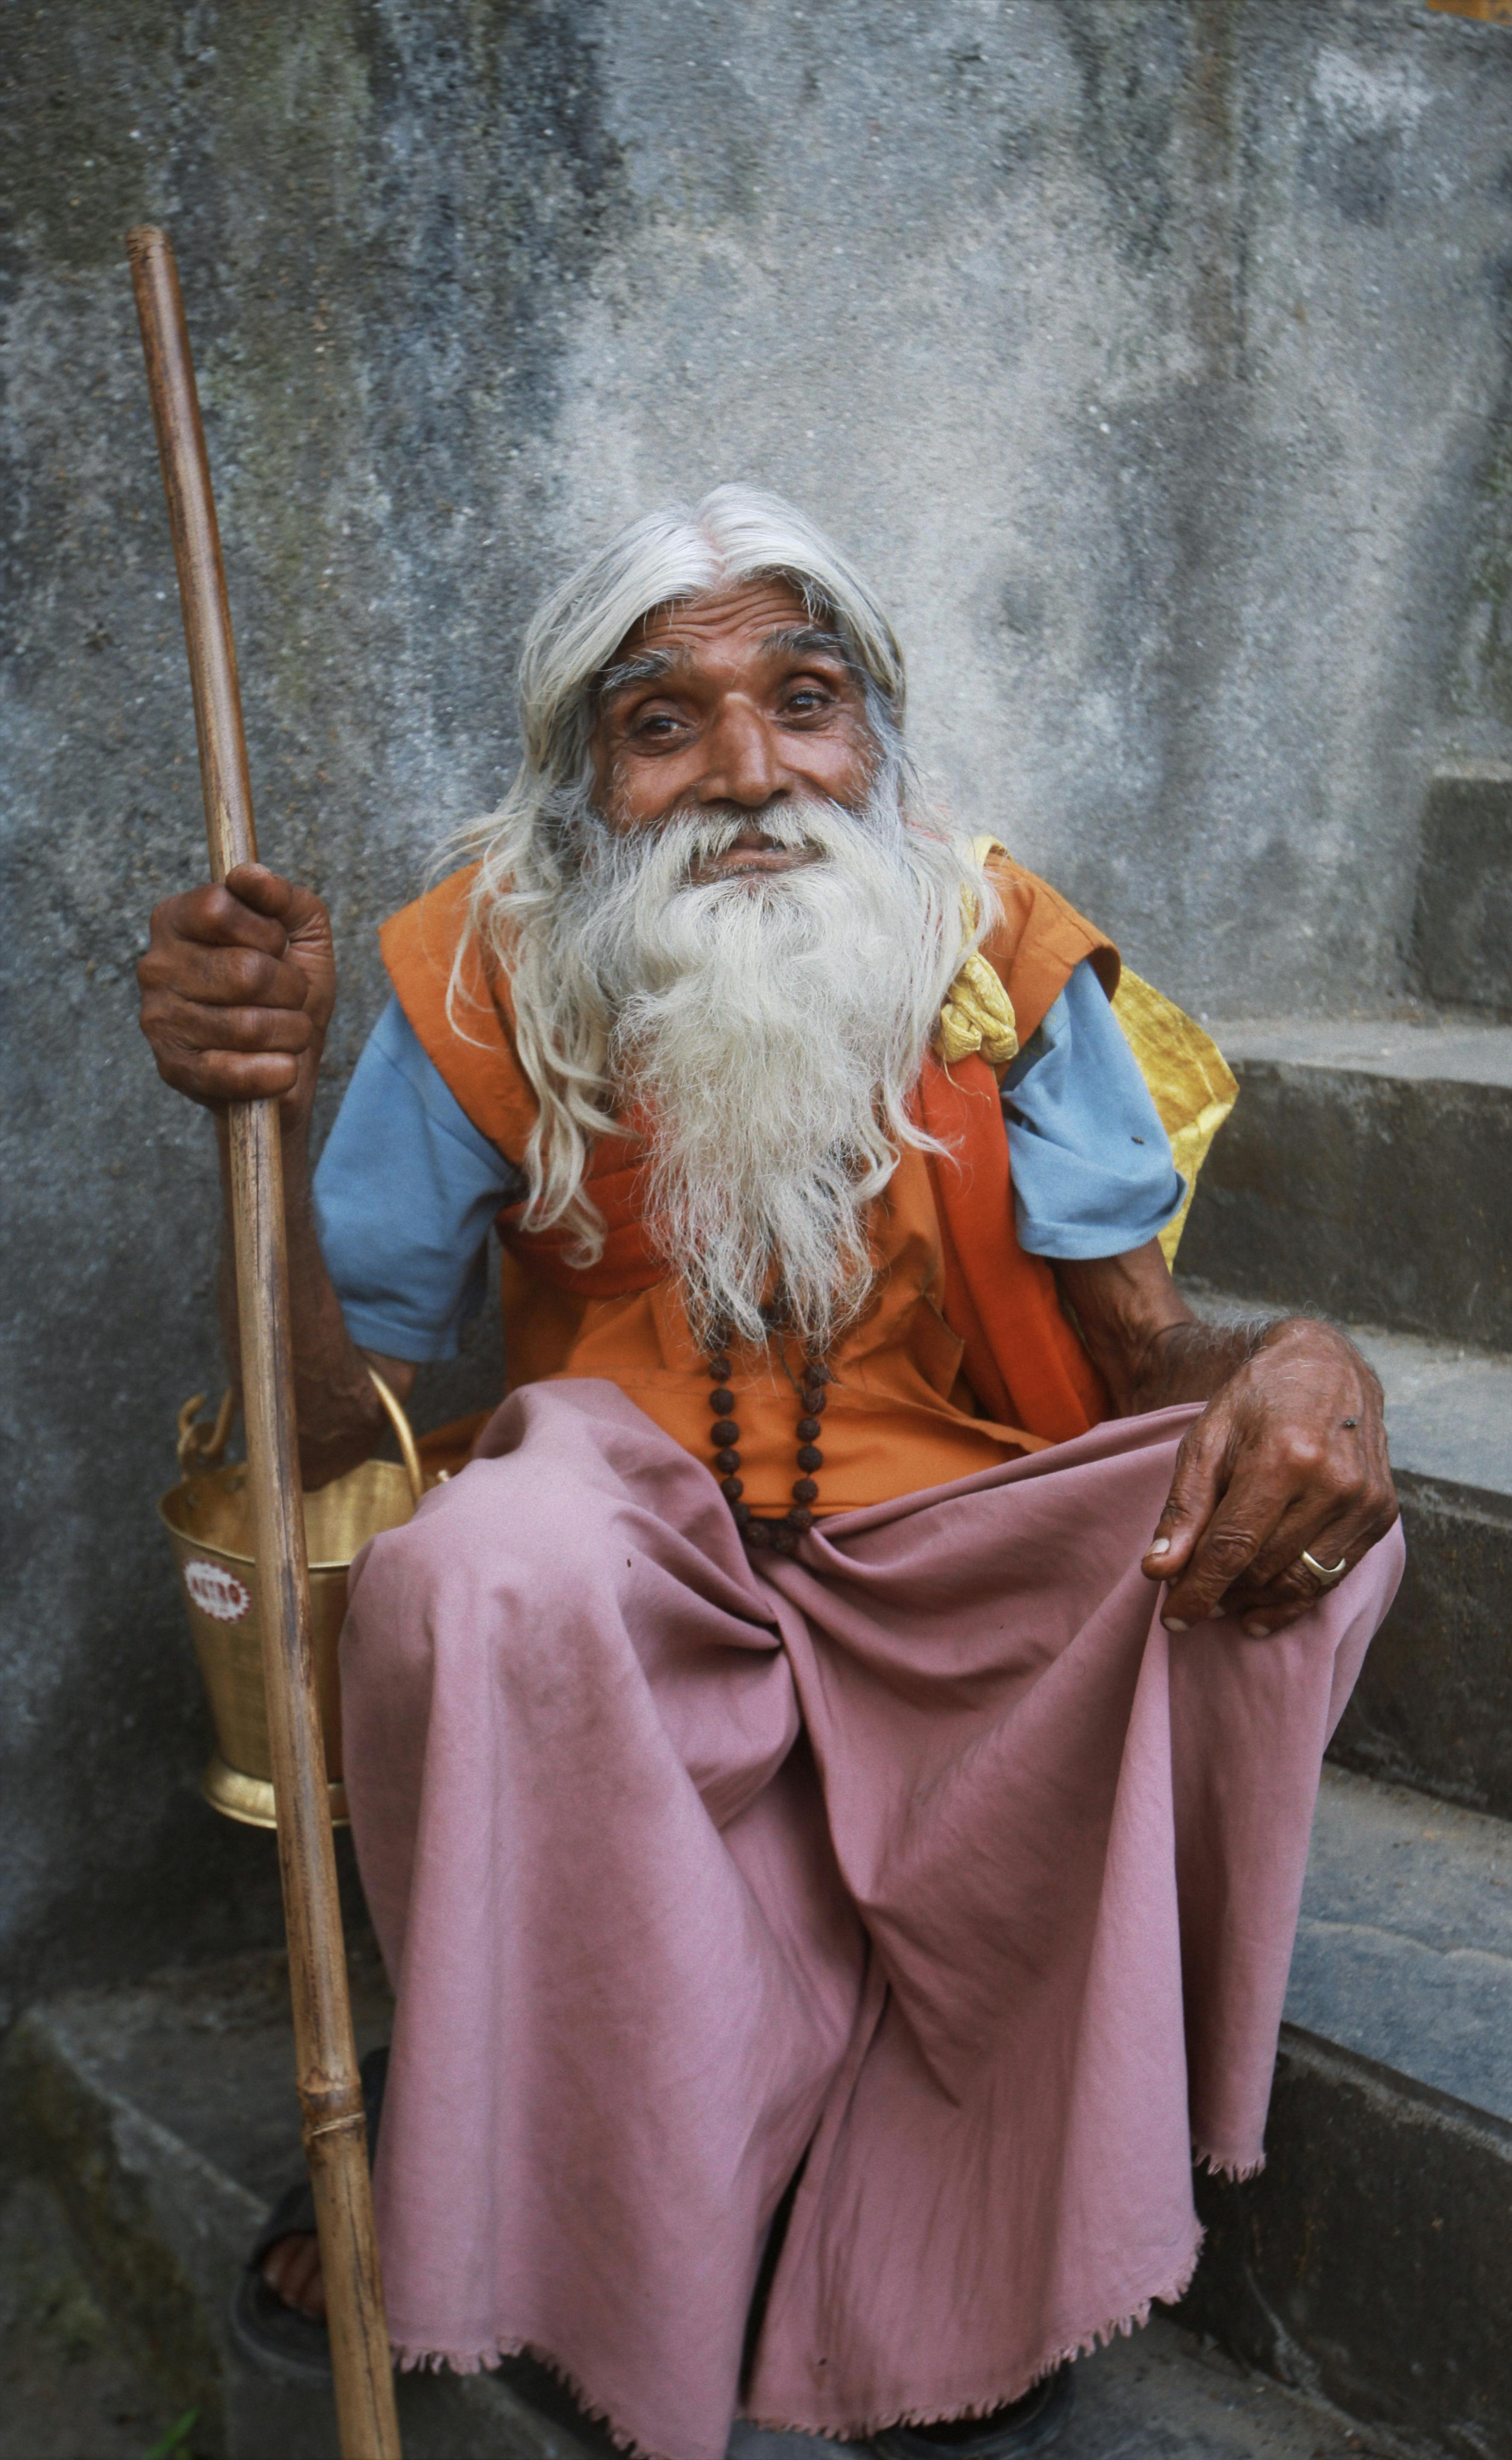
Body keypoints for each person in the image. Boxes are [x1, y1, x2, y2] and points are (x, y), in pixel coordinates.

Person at [137, 487, 1401, 2460]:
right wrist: (264, 1109)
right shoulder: (489, 960)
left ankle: (969, 2212)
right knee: (473, 1566)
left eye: (803, 703)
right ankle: (533, 2163)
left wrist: (1313, 1369)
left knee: (1293, 1542)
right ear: (587, 777)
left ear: (874, 740)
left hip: (948, 1564)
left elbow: (1154, 1360)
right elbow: (319, 1427)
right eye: (666, 724)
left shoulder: (991, 948)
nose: (748, 773)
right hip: (635, 1554)